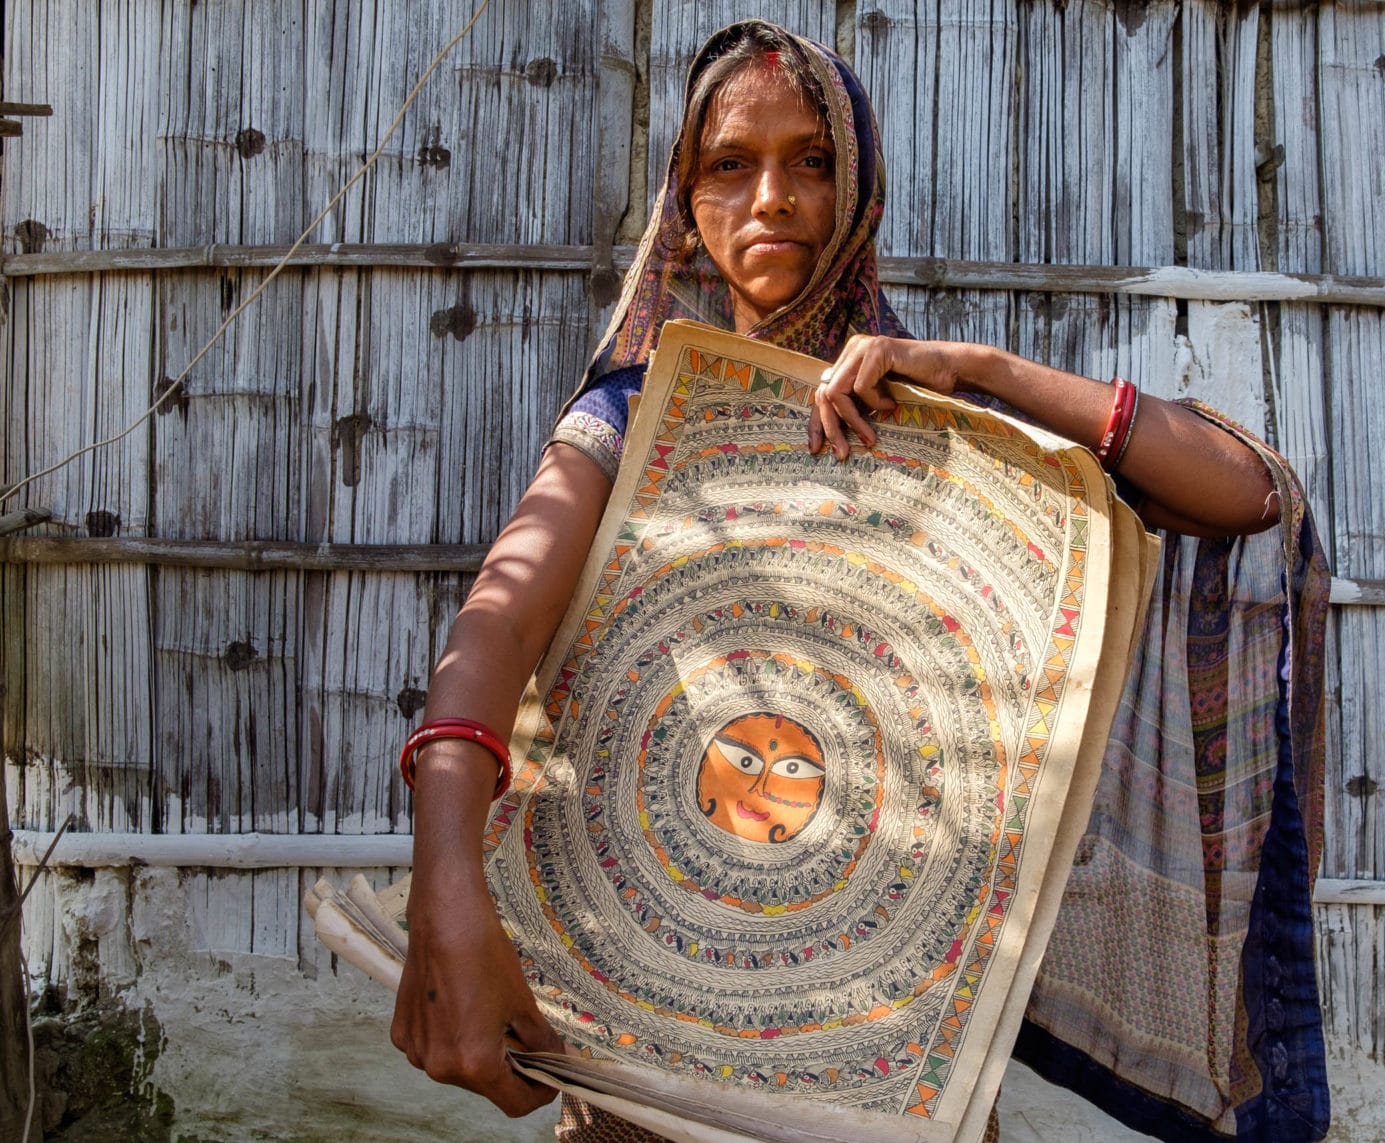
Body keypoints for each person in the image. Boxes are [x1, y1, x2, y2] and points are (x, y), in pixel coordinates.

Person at [390, 20, 1328, 1143]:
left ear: (863, 191)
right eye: (729, 166)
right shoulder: (637, 421)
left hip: (892, 1064)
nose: (772, 197)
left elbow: (1248, 498)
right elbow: (495, 628)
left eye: (813, 161)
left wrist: (970, 371)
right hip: (649, 1039)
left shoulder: (960, 442)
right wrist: (447, 879)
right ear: (686, 206)